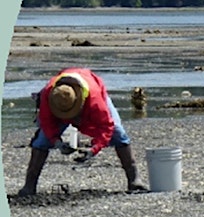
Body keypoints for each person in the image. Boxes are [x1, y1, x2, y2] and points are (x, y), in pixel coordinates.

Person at [18, 67, 148, 196]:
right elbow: (47, 123)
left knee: (118, 133)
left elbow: (106, 126)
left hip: (93, 92)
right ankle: (29, 185)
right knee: (41, 141)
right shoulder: (49, 95)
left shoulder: (95, 100)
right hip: (62, 102)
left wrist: (94, 150)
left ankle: (134, 180)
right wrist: (57, 142)